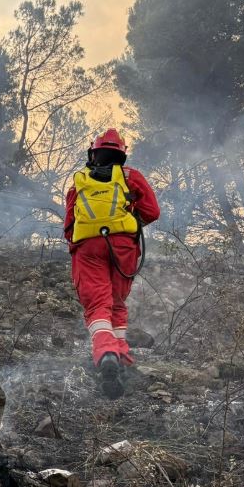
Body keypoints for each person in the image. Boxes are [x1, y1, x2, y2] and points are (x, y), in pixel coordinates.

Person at [64, 129, 160, 399]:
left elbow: (69, 224)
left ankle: (106, 352)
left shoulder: (79, 182)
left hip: (88, 248)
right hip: (122, 246)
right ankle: (120, 354)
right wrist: (128, 221)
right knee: (116, 301)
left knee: (97, 304)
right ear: (121, 155)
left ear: (93, 154)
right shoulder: (131, 177)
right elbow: (153, 212)